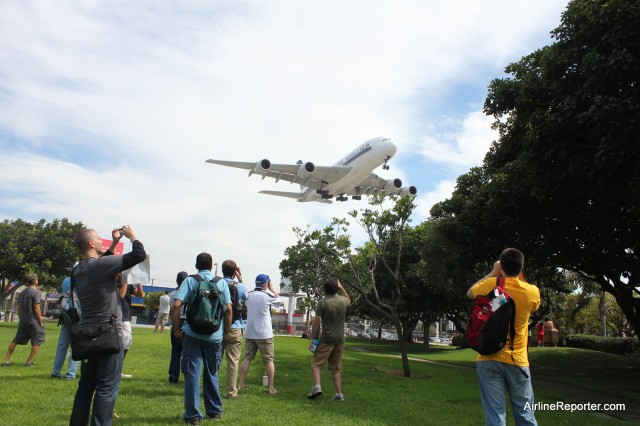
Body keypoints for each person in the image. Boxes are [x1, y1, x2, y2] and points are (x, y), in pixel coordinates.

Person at [69, 225, 146, 426]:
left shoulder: (78, 270)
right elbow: (139, 255)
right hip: (108, 334)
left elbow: (102, 262)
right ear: (91, 243)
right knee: (106, 387)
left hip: (88, 334)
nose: (102, 241)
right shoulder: (100, 267)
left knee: (86, 386)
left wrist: (113, 242)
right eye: (99, 239)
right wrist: (132, 236)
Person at [466, 248, 540, 426]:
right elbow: (535, 307)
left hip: (488, 358)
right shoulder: (532, 292)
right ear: (521, 267)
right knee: (525, 416)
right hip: (517, 360)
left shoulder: (491, 284)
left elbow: (470, 293)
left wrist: (494, 272)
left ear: (502, 266)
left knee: (495, 416)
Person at [172, 253, 232, 424]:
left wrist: (177, 329)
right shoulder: (221, 282)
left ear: (196, 265)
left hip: (192, 334)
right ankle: (214, 411)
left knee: (192, 374)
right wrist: (225, 333)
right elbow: (228, 310)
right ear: (212, 265)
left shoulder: (191, 281)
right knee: (212, 372)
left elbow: (177, 304)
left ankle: (193, 416)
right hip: (214, 336)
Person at [238, 274, 282, 396]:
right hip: (264, 334)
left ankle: (241, 384)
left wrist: (241, 278)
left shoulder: (249, 295)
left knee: (247, 358)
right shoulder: (267, 296)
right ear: (265, 283)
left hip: (250, 332)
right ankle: (271, 388)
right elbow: (280, 302)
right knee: (269, 360)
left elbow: (245, 294)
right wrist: (272, 288)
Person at [307, 279, 351, 401]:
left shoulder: (322, 303)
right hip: (340, 340)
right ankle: (339, 394)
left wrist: (312, 338)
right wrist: (342, 287)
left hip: (326, 339)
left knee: (316, 364)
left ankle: (317, 387)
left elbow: (316, 322)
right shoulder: (343, 301)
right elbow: (349, 300)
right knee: (336, 368)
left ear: (325, 290)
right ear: (336, 288)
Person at [2, 273, 45, 367]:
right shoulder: (36, 292)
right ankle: (28, 362)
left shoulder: (23, 292)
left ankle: (6, 360)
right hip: (33, 321)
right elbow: (37, 308)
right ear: (35, 281)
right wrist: (40, 321)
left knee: (16, 340)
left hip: (23, 320)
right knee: (38, 339)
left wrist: (21, 318)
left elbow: (19, 307)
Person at [220, 260, 247, 399]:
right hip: (235, 327)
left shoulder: (218, 283)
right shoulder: (240, 287)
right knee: (233, 362)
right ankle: (231, 392)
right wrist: (240, 278)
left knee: (215, 360)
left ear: (222, 270)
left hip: (218, 327)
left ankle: (211, 389)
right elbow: (245, 298)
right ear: (235, 271)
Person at [51, 276, 79, 379]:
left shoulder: (66, 280)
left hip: (65, 314)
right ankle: (71, 374)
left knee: (62, 344)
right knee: (76, 345)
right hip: (78, 315)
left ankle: (56, 371)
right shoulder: (82, 279)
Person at [118, 272, 145, 378]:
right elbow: (121, 295)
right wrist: (125, 281)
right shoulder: (114, 282)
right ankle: (115, 370)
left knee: (126, 344)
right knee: (119, 344)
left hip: (126, 317)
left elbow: (140, 295)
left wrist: (139, 282)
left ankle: (118, 369)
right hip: (118, 317)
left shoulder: (129, 284)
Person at [168, 271, 188, 384]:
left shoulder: (172, 294)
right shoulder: (189, 293)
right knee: (187, 352)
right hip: (186, 322)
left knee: (175, 351)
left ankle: (173, 377)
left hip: (176, 321)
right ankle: (187, 377)